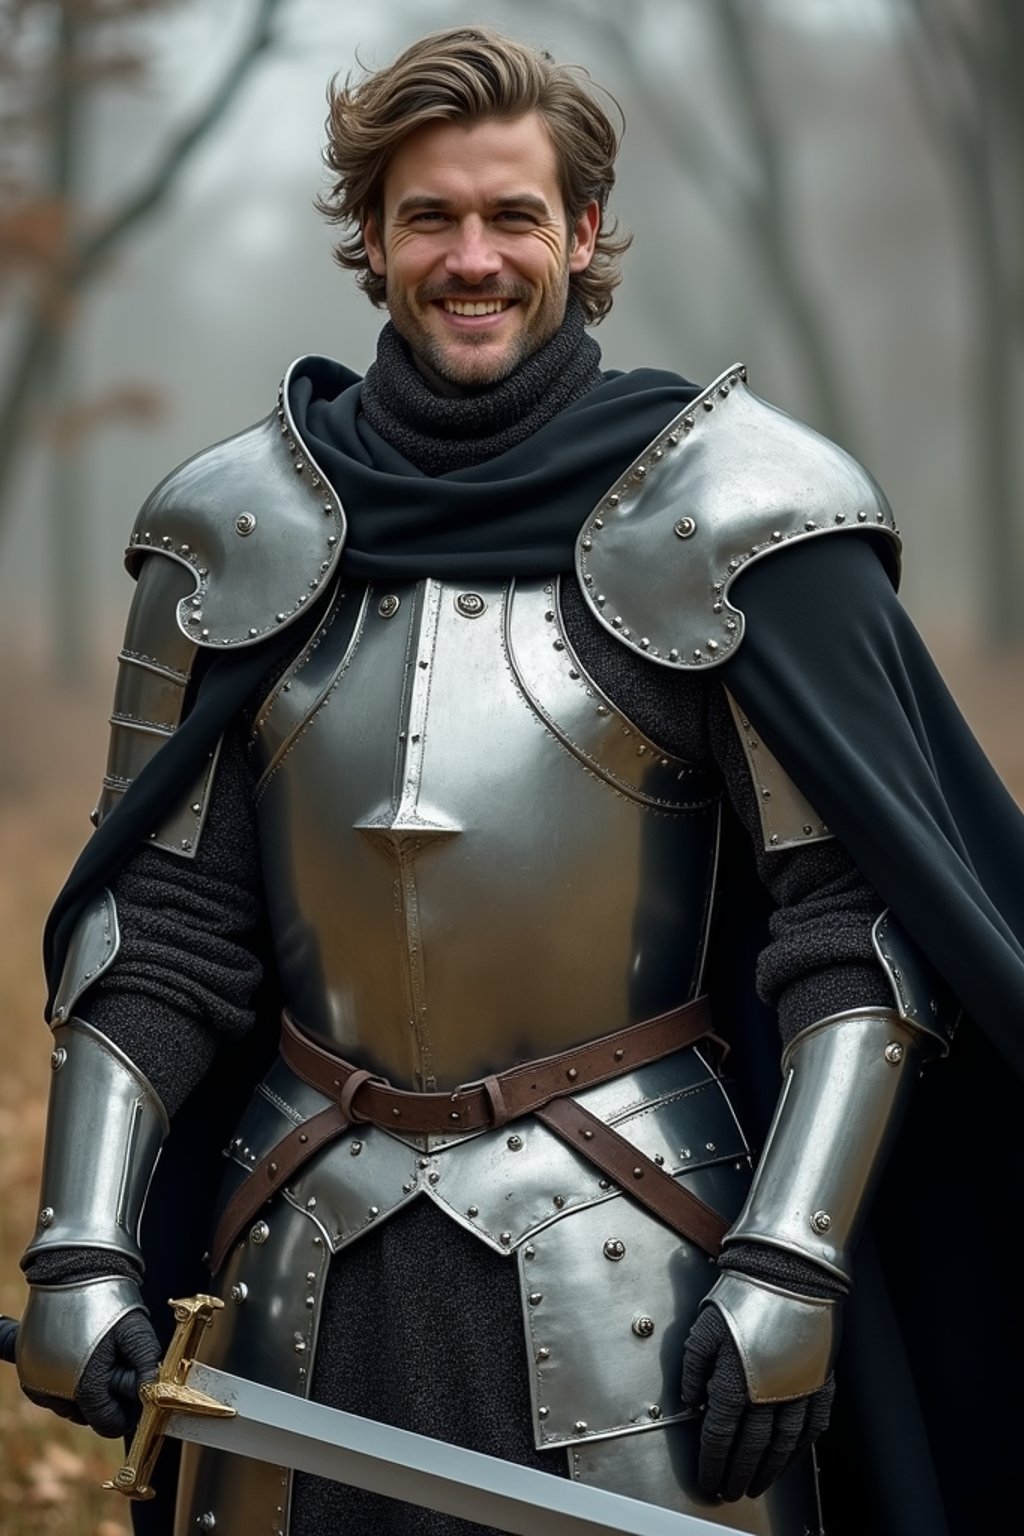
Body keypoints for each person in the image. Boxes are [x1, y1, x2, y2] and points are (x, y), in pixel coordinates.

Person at [13, 25, 1024, 1536]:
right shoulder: (232, 535)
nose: (470, 258)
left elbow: (850, 930)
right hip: (302, 1257)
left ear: (584, 233)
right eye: (429, 217)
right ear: (370, 236)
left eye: (512, 217)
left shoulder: (730, 516)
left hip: (646, 1256)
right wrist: (83, 1243)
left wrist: (790, 1258)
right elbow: (157, 928)